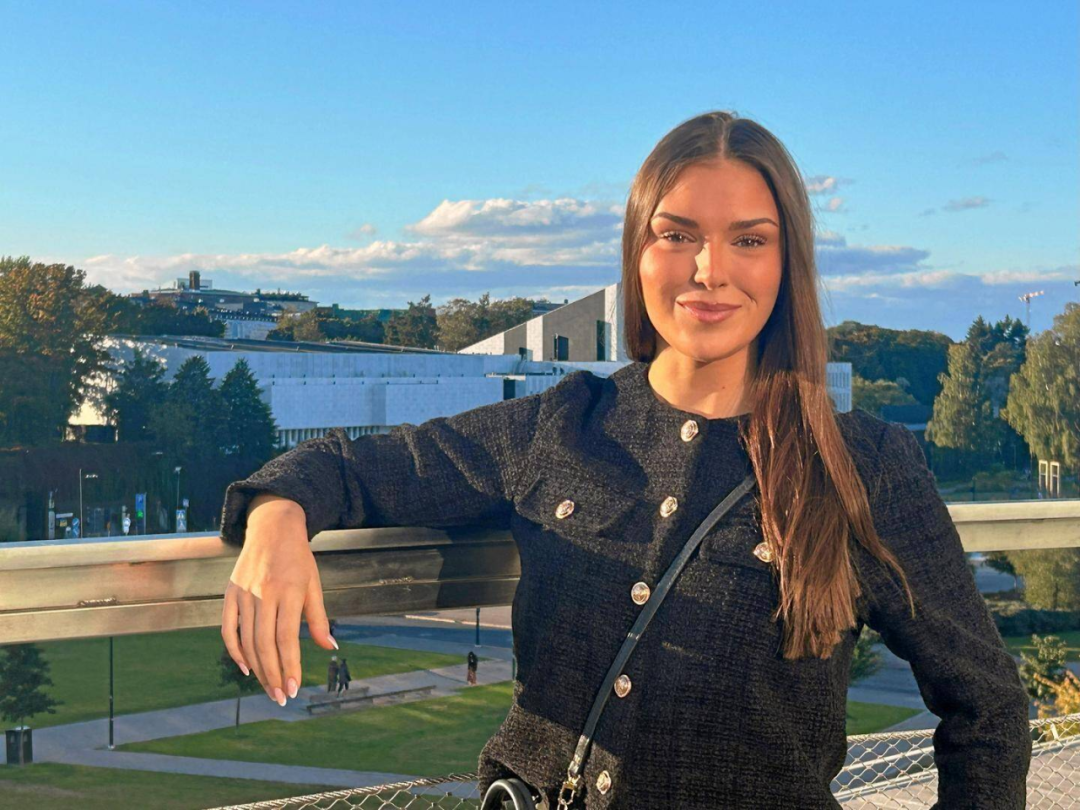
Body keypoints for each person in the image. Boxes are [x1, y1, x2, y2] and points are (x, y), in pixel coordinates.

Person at [217, 111, 1032, 808]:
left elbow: (988, 710)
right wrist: (276, 517)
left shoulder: (862, 464)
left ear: (788, 265)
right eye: (677, 235)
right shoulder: (560, 425)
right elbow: (353, 467)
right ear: (638, 252)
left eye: (749, 240)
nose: (708, 271)